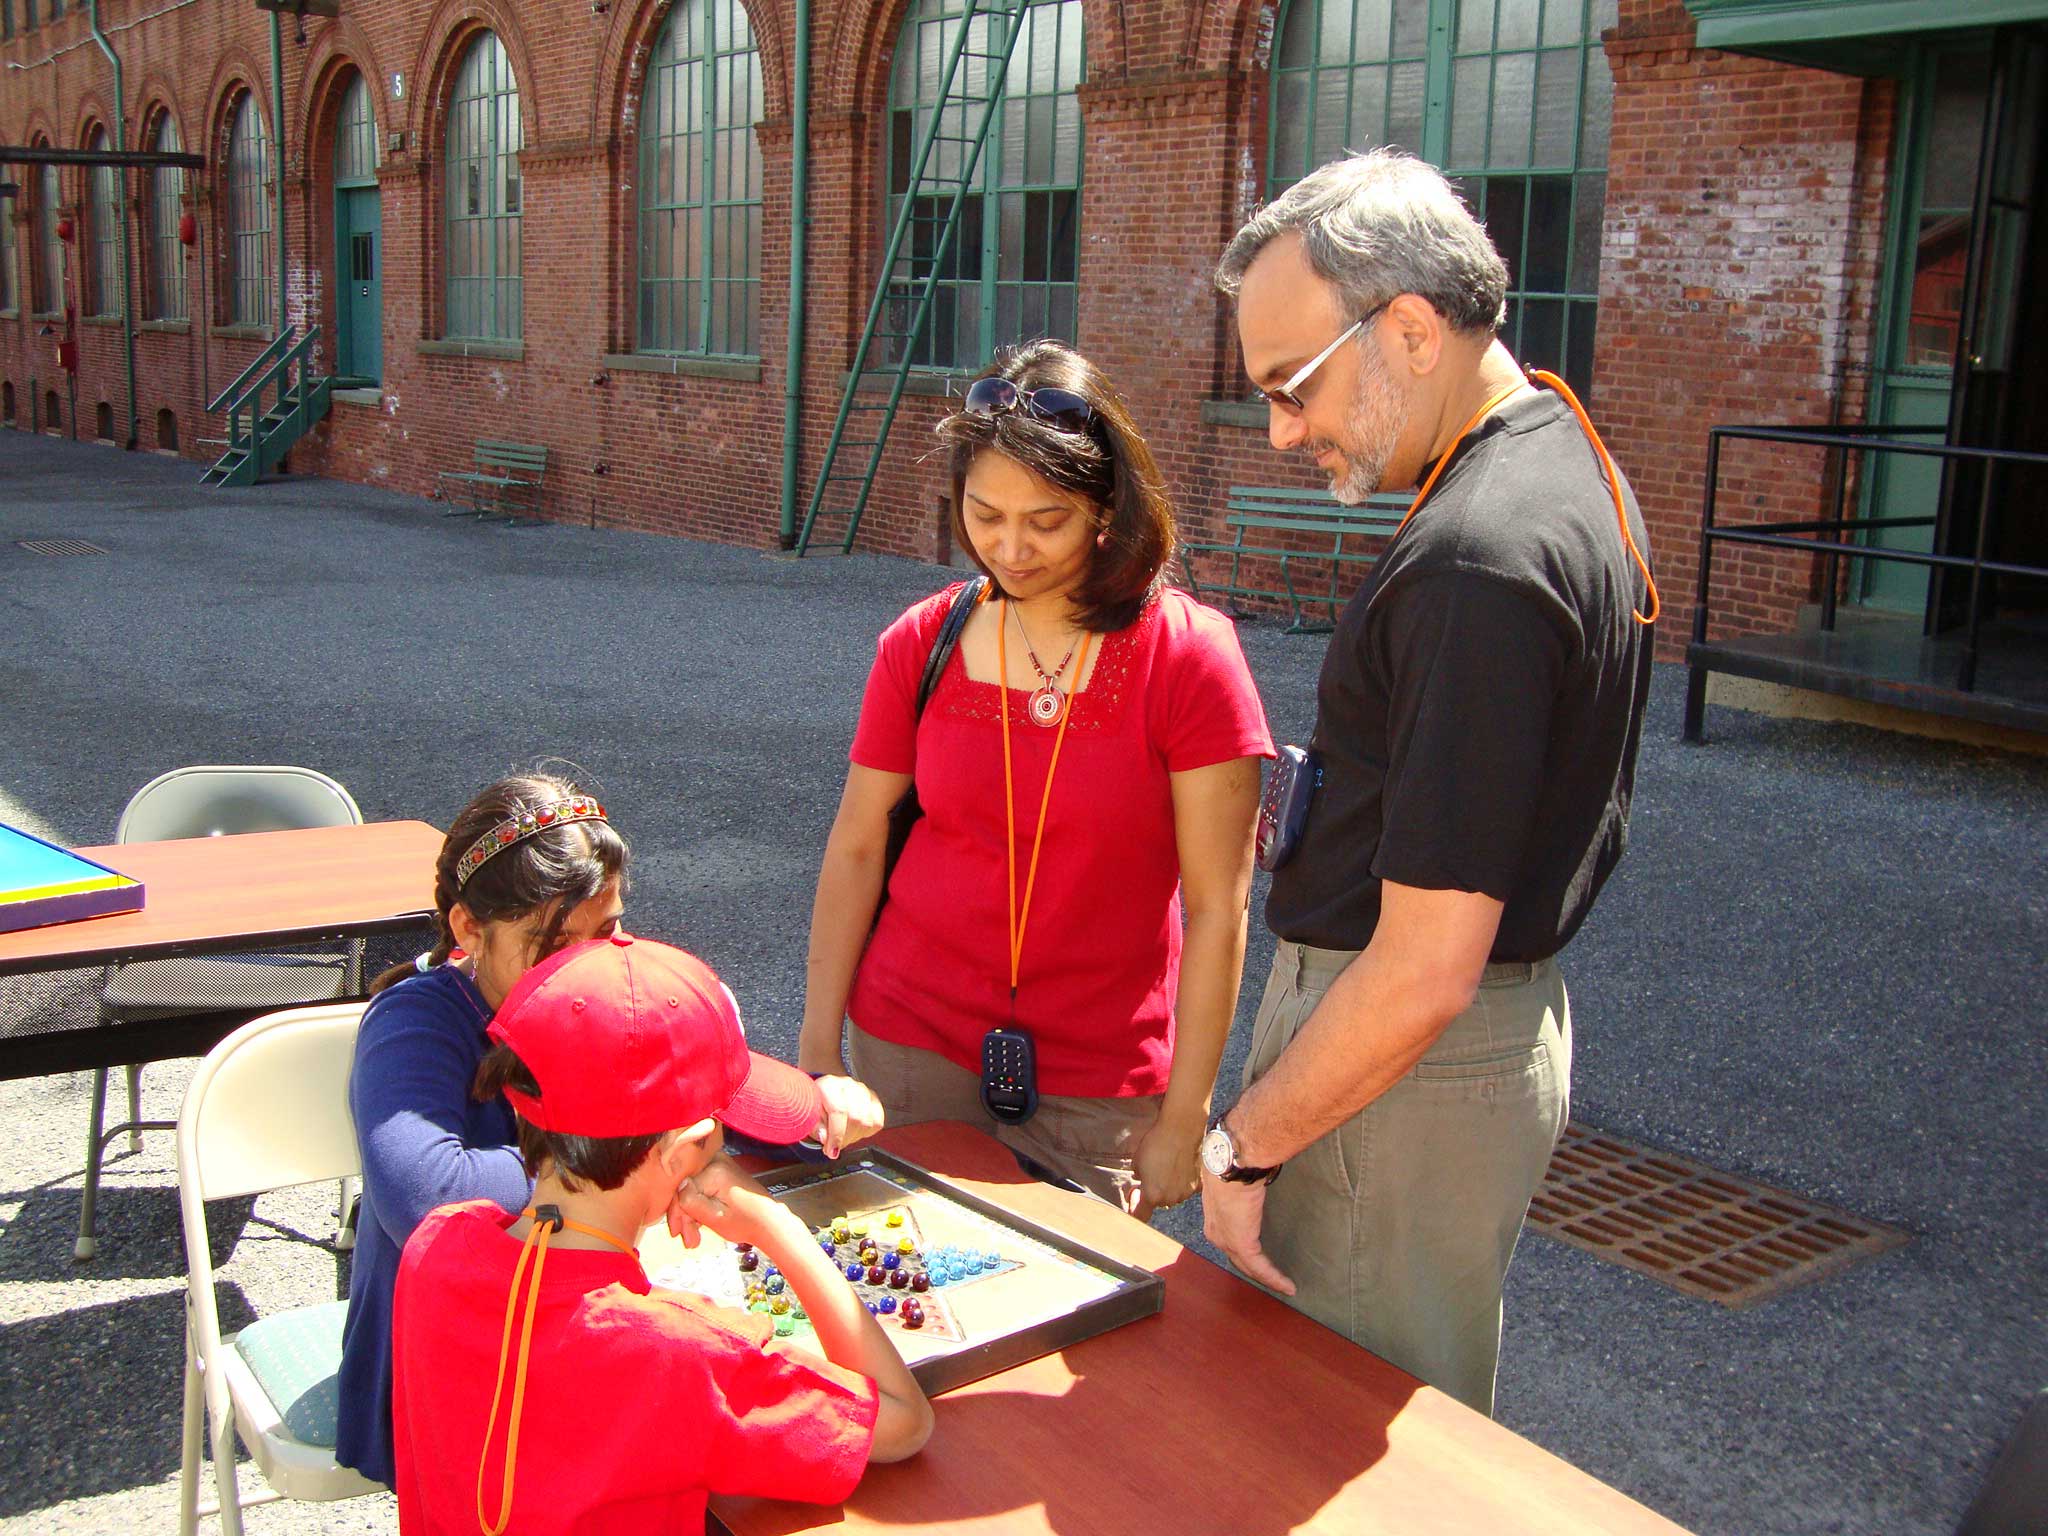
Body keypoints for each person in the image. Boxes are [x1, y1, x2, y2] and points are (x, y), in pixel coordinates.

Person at [1199, 149, 1660, 1416]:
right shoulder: (1553, 453)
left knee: (1319, 1421)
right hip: (1451, 1053)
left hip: (1395, 1059)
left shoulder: (1475, 556)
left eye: (1292, 389)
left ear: (1407, 327)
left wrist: (1240, 1148)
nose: (1286, 431)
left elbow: (1422, 966)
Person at [800, 339, 1273, 1218]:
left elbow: (1219, 909)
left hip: (1098, 1082)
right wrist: (819, 1047)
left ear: (1106, 507)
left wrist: (1187, 1115)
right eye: (984, 515)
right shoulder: (923, 640)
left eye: (1045, 520)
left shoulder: (1190, 659)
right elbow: (859, 843)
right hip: (910, 1044)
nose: (1009, 549)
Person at [336, 772, 881, 1488]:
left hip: (591, 1357)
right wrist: (623, 1160)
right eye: (552, 942)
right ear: (469, 930)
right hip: (459, 1386)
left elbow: (720, 1100)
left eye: (610, 928)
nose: (587, 962)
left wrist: (816, 1109)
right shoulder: (415, 1020)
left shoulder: (614, 992)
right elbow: (425, 1194)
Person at [389, 933, 933, 1534]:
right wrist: (779, 1227)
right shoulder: (683, 1351)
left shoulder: (435, 1248)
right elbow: (905, 1422)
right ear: (687, 1151)